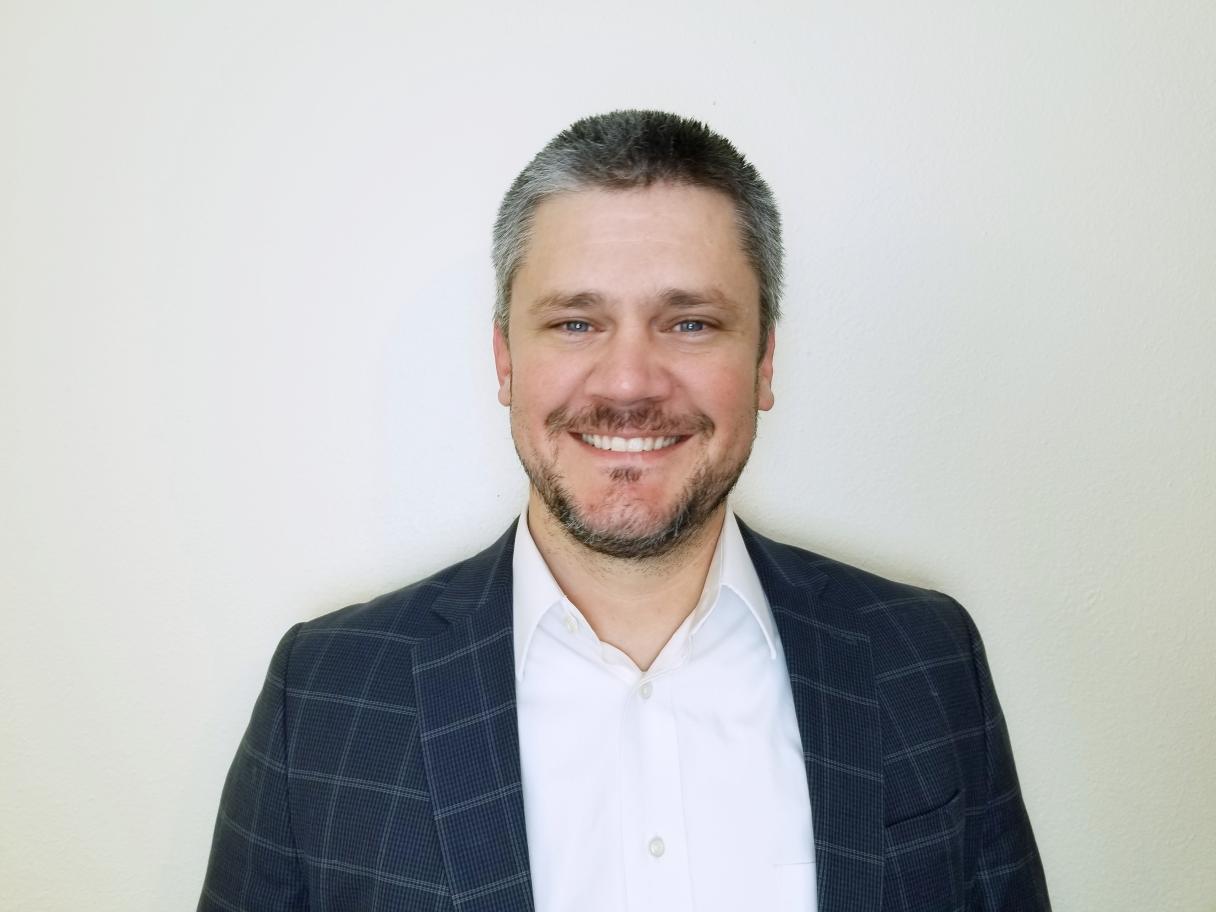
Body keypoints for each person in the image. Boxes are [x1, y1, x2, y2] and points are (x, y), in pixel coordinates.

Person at [198, 110, 1050, 912]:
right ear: (504, 359)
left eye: (690, 323)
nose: (630, 383)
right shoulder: (324, 697)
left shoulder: (929, 664)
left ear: (764, 361)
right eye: (575, 323)